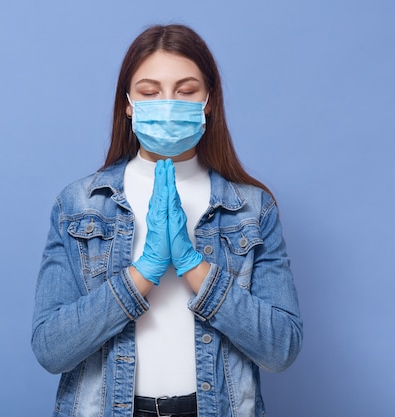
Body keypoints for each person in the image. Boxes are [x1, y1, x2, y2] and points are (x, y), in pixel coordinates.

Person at [31, 24, 302, 417]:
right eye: (150, 91)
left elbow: (281, 349)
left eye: (186, 91)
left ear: (208, 100)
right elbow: (51, 349)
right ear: (128, 102)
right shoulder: (79, 205)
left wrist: (195, 269)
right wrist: (144, 272)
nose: (168, 103)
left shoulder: (252, 208)